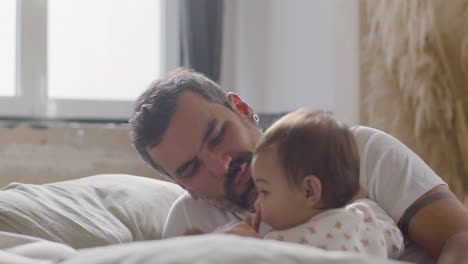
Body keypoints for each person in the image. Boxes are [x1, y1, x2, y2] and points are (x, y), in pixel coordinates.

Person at [129, 68, 468, 263]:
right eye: (191, 169)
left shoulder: (357, 151)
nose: (221, 165)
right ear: (181, 185)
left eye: (217, 135)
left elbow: (459, 235)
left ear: (242, 109)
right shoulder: (191, 221)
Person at [237, 108, 404, 258]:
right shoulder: (363, 220)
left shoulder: (280, 242)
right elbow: (396, 241)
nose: (257, 203)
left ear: (309, 190)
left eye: (264, 192)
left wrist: (249, 243)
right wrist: (361, 200)